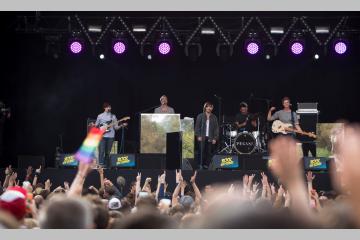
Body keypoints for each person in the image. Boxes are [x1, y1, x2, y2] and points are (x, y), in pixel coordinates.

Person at [92, 102, 126, 167]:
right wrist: (94, 125)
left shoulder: (113, 116)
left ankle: (106, 165)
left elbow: (116, 127)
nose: (109, 108)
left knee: (108, 152)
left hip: (111, 136)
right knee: (101, 151)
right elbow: (96, 125)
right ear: (104, 108)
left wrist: (121, 125)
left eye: (110, 107)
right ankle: (100, 165)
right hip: (102, 136)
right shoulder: (100, 116)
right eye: (108, 107)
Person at [195, 102, 219, 169]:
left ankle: (206, 165)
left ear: (212, 108)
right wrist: (198, 135)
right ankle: (200, 164)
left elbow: (216, 128)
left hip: (210, 137)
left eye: (210, 107)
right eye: (207, 106)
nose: (209, 108)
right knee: (201, 151)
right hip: (202, 136)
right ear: (205, 107)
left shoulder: (214, 117)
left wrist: (215, 138)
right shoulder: (200, 116)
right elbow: (197, 127)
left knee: (208, 152)